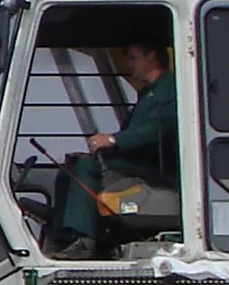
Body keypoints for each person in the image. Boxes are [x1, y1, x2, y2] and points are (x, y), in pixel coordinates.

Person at [49, 40, 179, 257]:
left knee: (85, 169)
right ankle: (64, 234)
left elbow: (156, 131)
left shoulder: (169, 89)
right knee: (72, 168)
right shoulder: (147, 95)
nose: (128, 65)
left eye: (133, 58)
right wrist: (105, 150)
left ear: (152, 56)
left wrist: (112, 141)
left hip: (157, 167)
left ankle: (84, 240)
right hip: (137, 161)